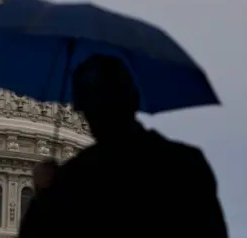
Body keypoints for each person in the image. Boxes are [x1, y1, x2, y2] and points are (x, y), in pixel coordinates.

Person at [18, 55, 229, 238]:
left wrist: (43, 196)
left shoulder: (73, 180)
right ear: (134, 99)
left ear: (83, 113)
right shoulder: (185, 164)